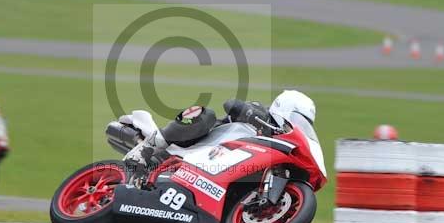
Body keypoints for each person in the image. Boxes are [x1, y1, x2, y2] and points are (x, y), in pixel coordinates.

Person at [122, 90, 317, 172]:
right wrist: (248, 113)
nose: (296, 123)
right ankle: (145, 149)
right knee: (204, 114)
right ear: (283, 107)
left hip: (222, 165)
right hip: (198, 145)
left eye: (303, 123)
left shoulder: (283, 142)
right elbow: (230, 103)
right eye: (296, 117)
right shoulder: (261, 111)